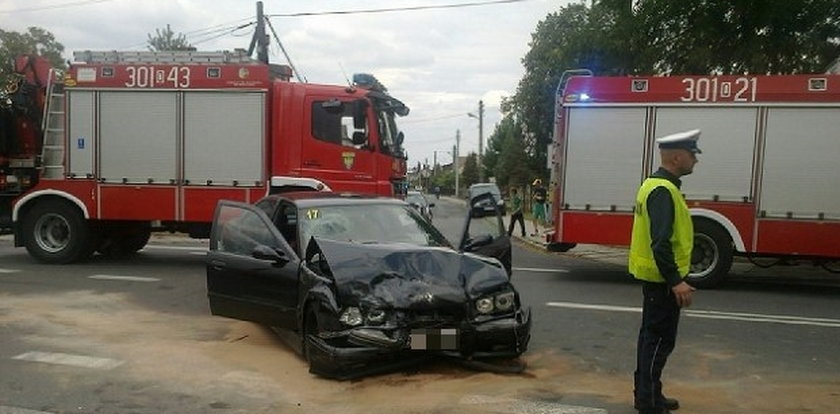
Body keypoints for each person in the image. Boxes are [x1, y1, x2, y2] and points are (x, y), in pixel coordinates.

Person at [630, 129, 701, 414]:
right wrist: (677, 282)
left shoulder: (657, 185)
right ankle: (648, 403)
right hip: (661, 283)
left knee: (651, 340)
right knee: (658, 342)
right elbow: (660, 243)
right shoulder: (662, 190)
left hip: (656, 282)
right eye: (693, 154)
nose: (696, 160)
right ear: (677, 157)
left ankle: (648, 396)